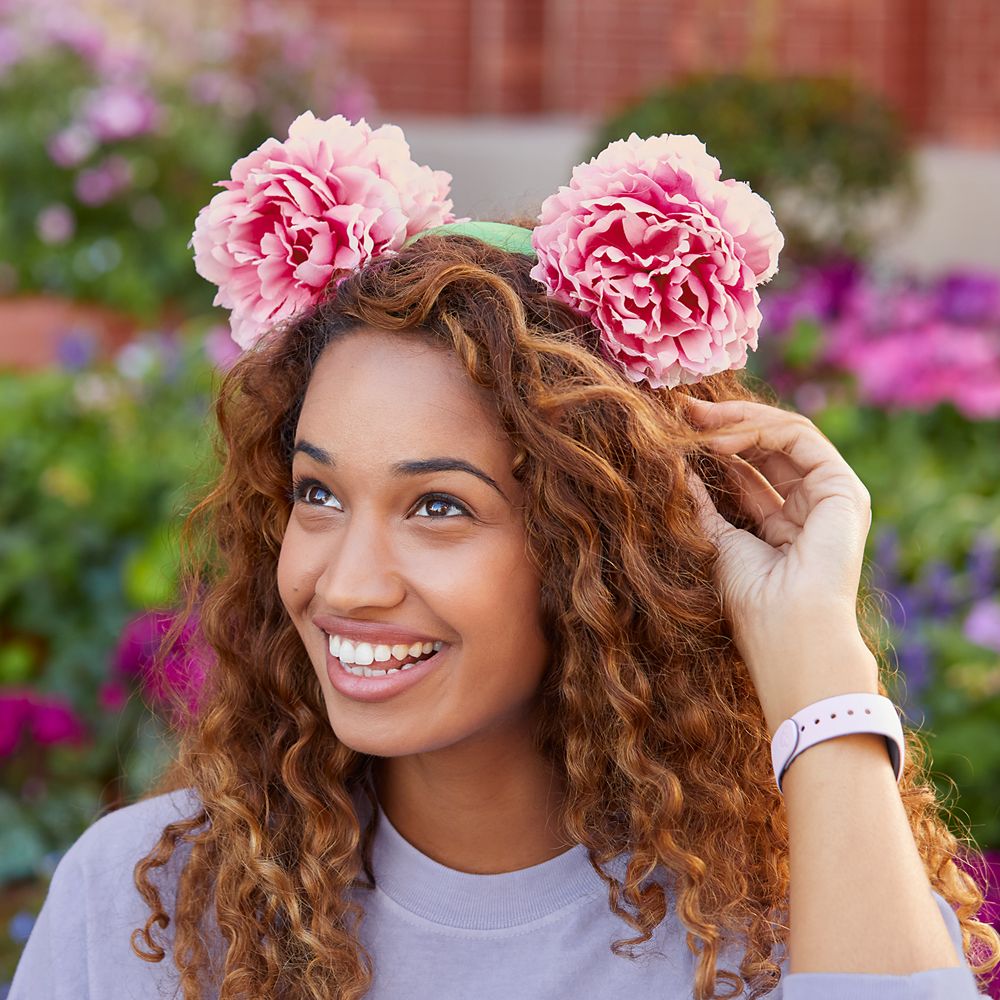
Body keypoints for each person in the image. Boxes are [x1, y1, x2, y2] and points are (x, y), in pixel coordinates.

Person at [10, 113, 1000, 1000]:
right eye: (318, 494)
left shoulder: (797, 921)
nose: (345, 581)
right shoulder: (143, 913)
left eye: (437, 505)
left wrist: (814, 653)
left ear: (597, 550)